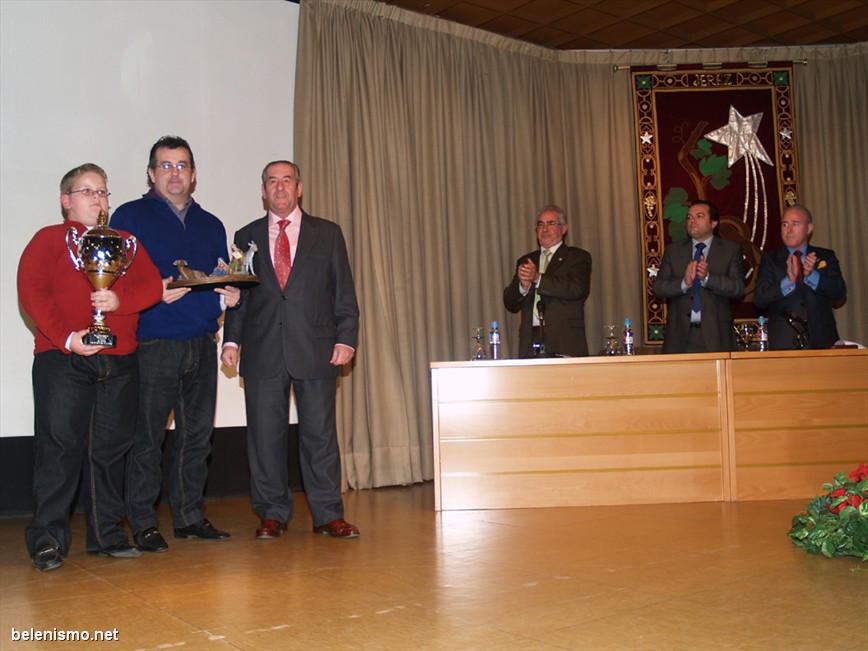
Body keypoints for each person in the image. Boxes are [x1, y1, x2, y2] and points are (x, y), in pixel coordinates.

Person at [18, 163, 163, 571]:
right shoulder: (48, 241)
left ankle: (108, 535)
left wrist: (121, 302)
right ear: (66, 201)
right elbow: (33, 292)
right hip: (62, 359)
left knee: (111, 451)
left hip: (119, 359)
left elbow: (152, 286)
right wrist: (68, 337)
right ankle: (48, 539)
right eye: (87, 191)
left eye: (103, 191)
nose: (98, 198)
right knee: (59, 450)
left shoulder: (126, 243)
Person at [111, 136, 240, 553]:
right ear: (151, 174)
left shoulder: (212, 224)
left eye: (182, 165)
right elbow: (114, 281)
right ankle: (144, 522)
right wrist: (153, 292)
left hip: (201, 342)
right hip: (152, 343)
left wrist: (230, 294)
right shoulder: (129, 216)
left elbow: (218, 278)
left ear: (194, 174)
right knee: (147, 438)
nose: (175, 173)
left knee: (196, 437)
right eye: (165, 166)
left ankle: (188, 516)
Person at [221, 161, 360, 540]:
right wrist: (231, 341)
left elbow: (343, 292)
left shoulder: (328, 234)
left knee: (319, 436)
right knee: (264, 438)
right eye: (272, 181)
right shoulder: (245, 235)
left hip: (316, 349)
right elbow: (239, 297)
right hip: (263, 349)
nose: (279, 187)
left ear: (299, 188)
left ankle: (328, 514)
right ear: (263, 190)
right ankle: (272, 513)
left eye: (287, 180)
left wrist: (346, 338)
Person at [653, 200, 744, 353]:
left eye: (699, 216)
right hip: (679, 336)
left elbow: (738, 289)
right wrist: (684, 283)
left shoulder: (730, 250)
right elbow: (659, 288)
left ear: (714, 222)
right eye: (689, 217)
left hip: (716, 336)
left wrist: (708, 278)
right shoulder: (673, 251)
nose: (692, 221)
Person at [503, 205, 592, 358]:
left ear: (563, 229)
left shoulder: (577, 257)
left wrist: (538, 279)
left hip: (565, 341)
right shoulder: (527, 260)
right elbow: (510, 302)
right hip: (530, 342)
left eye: (551, 223)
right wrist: (523, 287)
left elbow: (576, 289)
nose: (544, 229)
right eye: (540, 224)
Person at [753, 205, 847, 350]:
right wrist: (788, 282)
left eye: (795, 224)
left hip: (822, 339)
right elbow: (759, 300)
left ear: (809, 229)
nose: (788, 230)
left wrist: (812, 276)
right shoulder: (770, 259)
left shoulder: (825, 256)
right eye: (785, 224)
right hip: (784, 341)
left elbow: (839, 291)